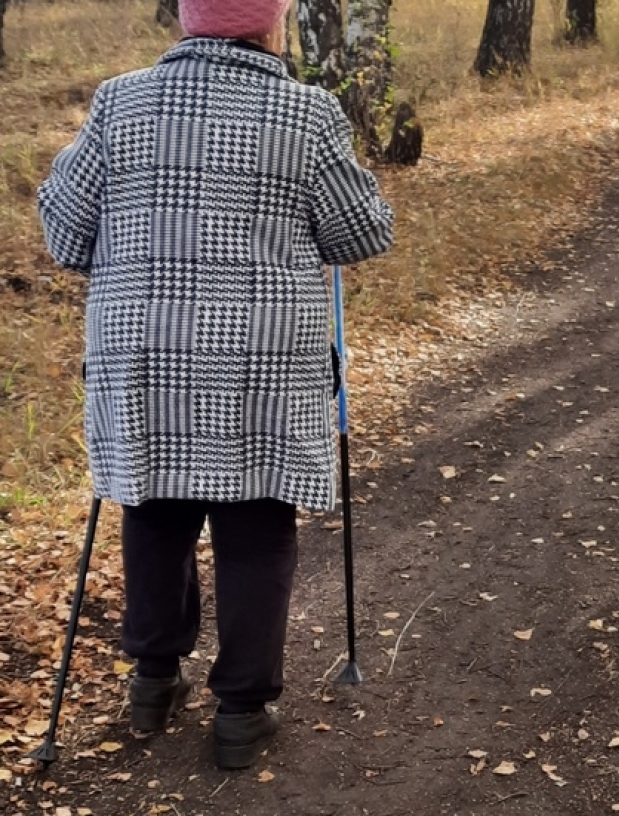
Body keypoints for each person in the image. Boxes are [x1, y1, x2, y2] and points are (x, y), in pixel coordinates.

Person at [37, 0, 394, 770]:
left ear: (185, 20)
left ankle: (152, 681)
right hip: (261, 355)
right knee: (257, 522)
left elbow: (66, 234)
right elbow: (362, 233)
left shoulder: (120, 100)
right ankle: (241, 712)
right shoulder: (307, 111)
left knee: (156, 506)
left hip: (143, 353)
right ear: (273, 24)